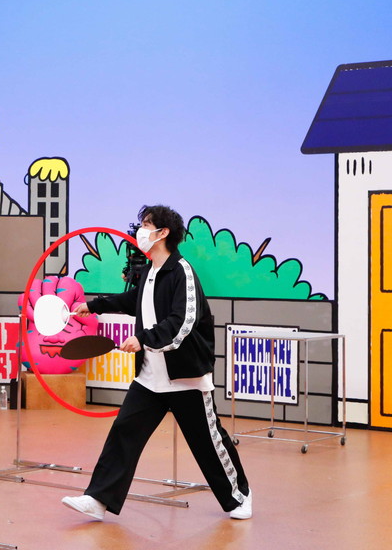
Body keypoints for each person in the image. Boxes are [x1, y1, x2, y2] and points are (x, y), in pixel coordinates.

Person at [61, 205, 252, 521]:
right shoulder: (151, 271)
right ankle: (98, 499)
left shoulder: (182, 272)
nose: (141, 230)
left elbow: (183, 321)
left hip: (186, 378)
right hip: (151, 378)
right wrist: (93, 306)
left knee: (207, 442)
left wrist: (143, 339)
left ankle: (239, 496)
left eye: (147, 225)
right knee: (124, 433)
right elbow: (133, 300)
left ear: (163, 233)